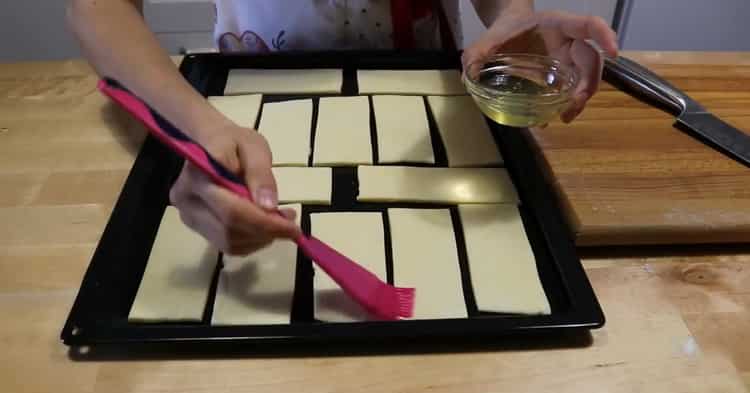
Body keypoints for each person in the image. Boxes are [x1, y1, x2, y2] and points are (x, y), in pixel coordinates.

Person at [67, 0, 617, 255]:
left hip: (429, 109)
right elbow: (98, 8)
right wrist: (196, 127)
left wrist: (512, 16)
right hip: (248, 103)